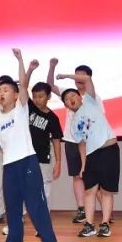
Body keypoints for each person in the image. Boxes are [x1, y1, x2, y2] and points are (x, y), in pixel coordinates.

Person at [0, 50, 58, 242]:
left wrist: (20, 60)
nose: (1, 94)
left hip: (28, 162)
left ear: (16, 95)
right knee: (13, 208)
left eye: (6, 90)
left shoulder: (21, 110)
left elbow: (24, 85)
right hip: (9, 167)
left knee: (36, 206)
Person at [57, 65, 119, 238]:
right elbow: (82, 144)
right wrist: (83, 165)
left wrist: (66, 75)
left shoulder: (91, 100)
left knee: (106, 191)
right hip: (91, 156)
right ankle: (90, 225)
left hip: (109, 150)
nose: (70, 99)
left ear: (80, 96)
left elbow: (86, 79)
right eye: (66, 99)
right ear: (65, 105)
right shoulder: (73, 123)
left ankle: (105, 224)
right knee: (90, 191)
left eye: (73, 96)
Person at [48, 59, 86, 223]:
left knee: (93, 176)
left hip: (90, 142)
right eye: (76, 75)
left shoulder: (93, 97)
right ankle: (82, 209)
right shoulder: (69, 92)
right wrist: (52, 67)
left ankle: (106, 211)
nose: (78, 78)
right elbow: (50, 85)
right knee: (76, 176)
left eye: (81, 75)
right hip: (71, 141)